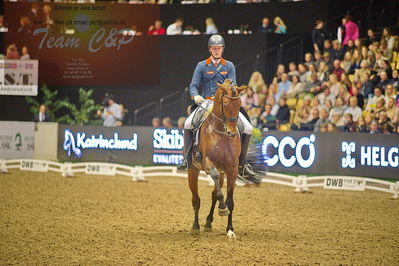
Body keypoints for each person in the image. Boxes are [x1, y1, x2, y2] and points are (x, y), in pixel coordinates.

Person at [178, 35, 256, 179]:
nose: (217, 51)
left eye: (219, 48)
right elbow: (193, 85)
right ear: (210, 49)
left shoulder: (229, 65)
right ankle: (187, 158)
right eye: (214, 48)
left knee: (248, 128)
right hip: (207, 101)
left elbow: (233, 85)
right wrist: (196, 96)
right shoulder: (202, 65)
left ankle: (243, 163)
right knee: (188, 123)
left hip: (225, 102)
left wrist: (230, 92)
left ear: (222, 49)